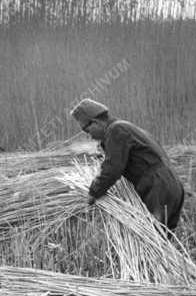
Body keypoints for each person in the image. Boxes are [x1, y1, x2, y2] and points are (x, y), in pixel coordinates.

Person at [71, 99, 185, 231]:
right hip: (172, 185)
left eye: (87, 131)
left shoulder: (116, 130)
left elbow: (113, 168)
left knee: (150, 238)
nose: (90, 136)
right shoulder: (126, 127)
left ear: (96, 122)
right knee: (162, 242)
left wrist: (94, 193)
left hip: (158, 187)